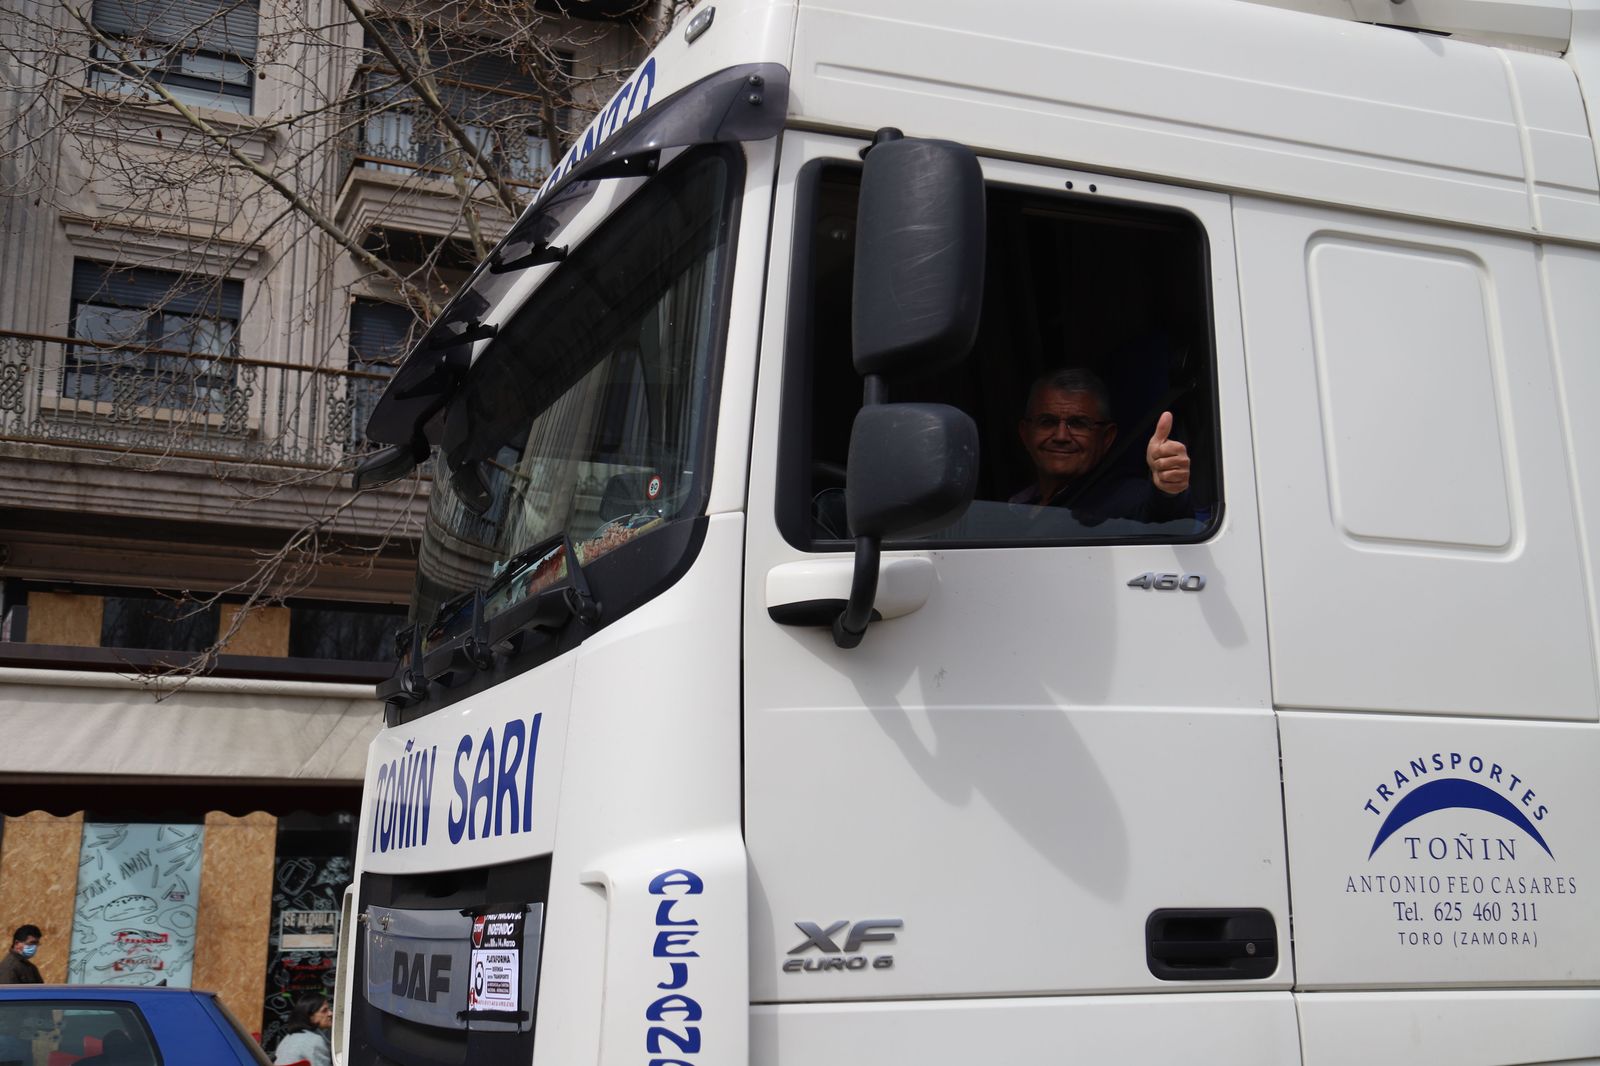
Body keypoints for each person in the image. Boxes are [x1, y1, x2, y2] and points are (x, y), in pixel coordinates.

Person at [1011, 368, 1192, 523]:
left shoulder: (1125, 498)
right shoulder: (1014, 505)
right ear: (1025, 434)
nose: (1061, 436)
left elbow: (1166, 520)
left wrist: (1168, 489)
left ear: (1106, 437)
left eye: (1078, 423)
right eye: (1047, 422)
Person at [273, 992, 333, 1066]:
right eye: (324, 1010)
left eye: (329, 1009)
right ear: (310, 1016)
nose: (330, 1013)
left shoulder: (288, 1038)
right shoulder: (314, 1041)